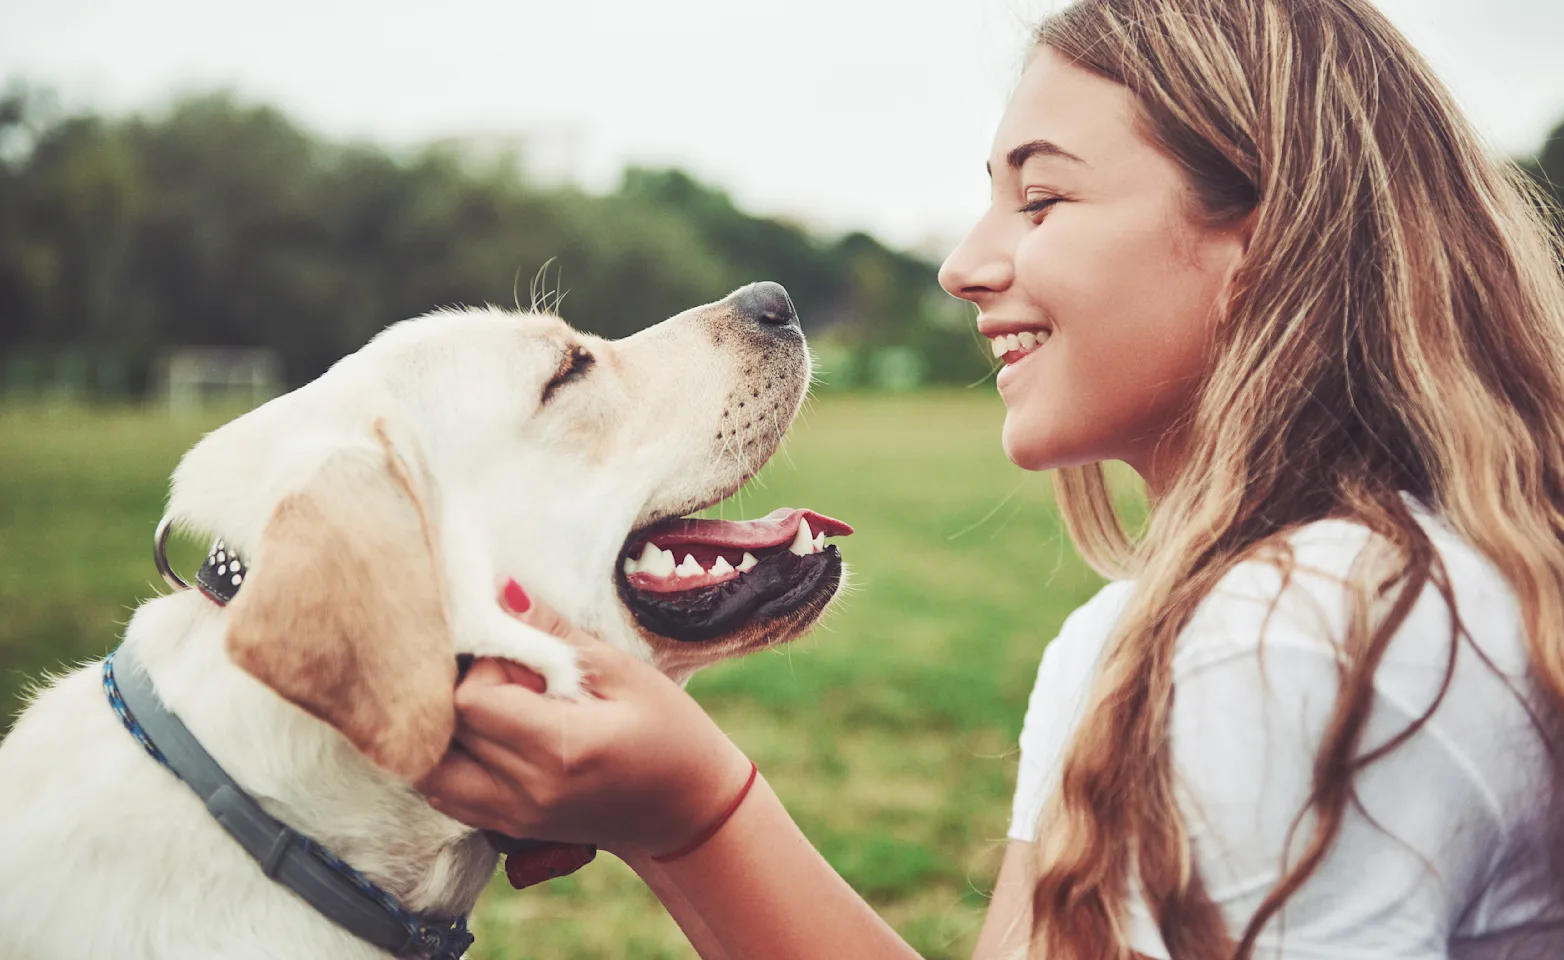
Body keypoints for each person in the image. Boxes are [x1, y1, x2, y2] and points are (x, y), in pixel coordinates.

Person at [417, 0, 1564, 956]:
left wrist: (690, 812)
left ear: (1268, 244)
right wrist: (681, 815)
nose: (964, 266)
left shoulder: (1296, 633)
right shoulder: (1131, 641)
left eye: (1043, 198)